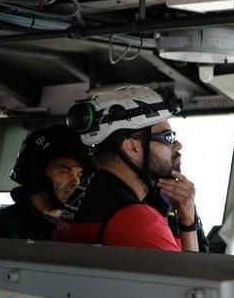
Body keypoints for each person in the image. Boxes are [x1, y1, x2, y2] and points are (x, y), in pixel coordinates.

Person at [56, 84, 203, 252]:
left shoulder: (82, 195)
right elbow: (187, 277)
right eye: (168, 137)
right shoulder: (138, 221)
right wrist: (188, 223)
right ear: (133, 147)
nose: (178, 145)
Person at [0, 125, 93, 240]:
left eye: (79, 174)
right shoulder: (6, 228)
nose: (76, 182)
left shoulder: (77, 226)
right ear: (37, 174)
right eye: (64, 172)